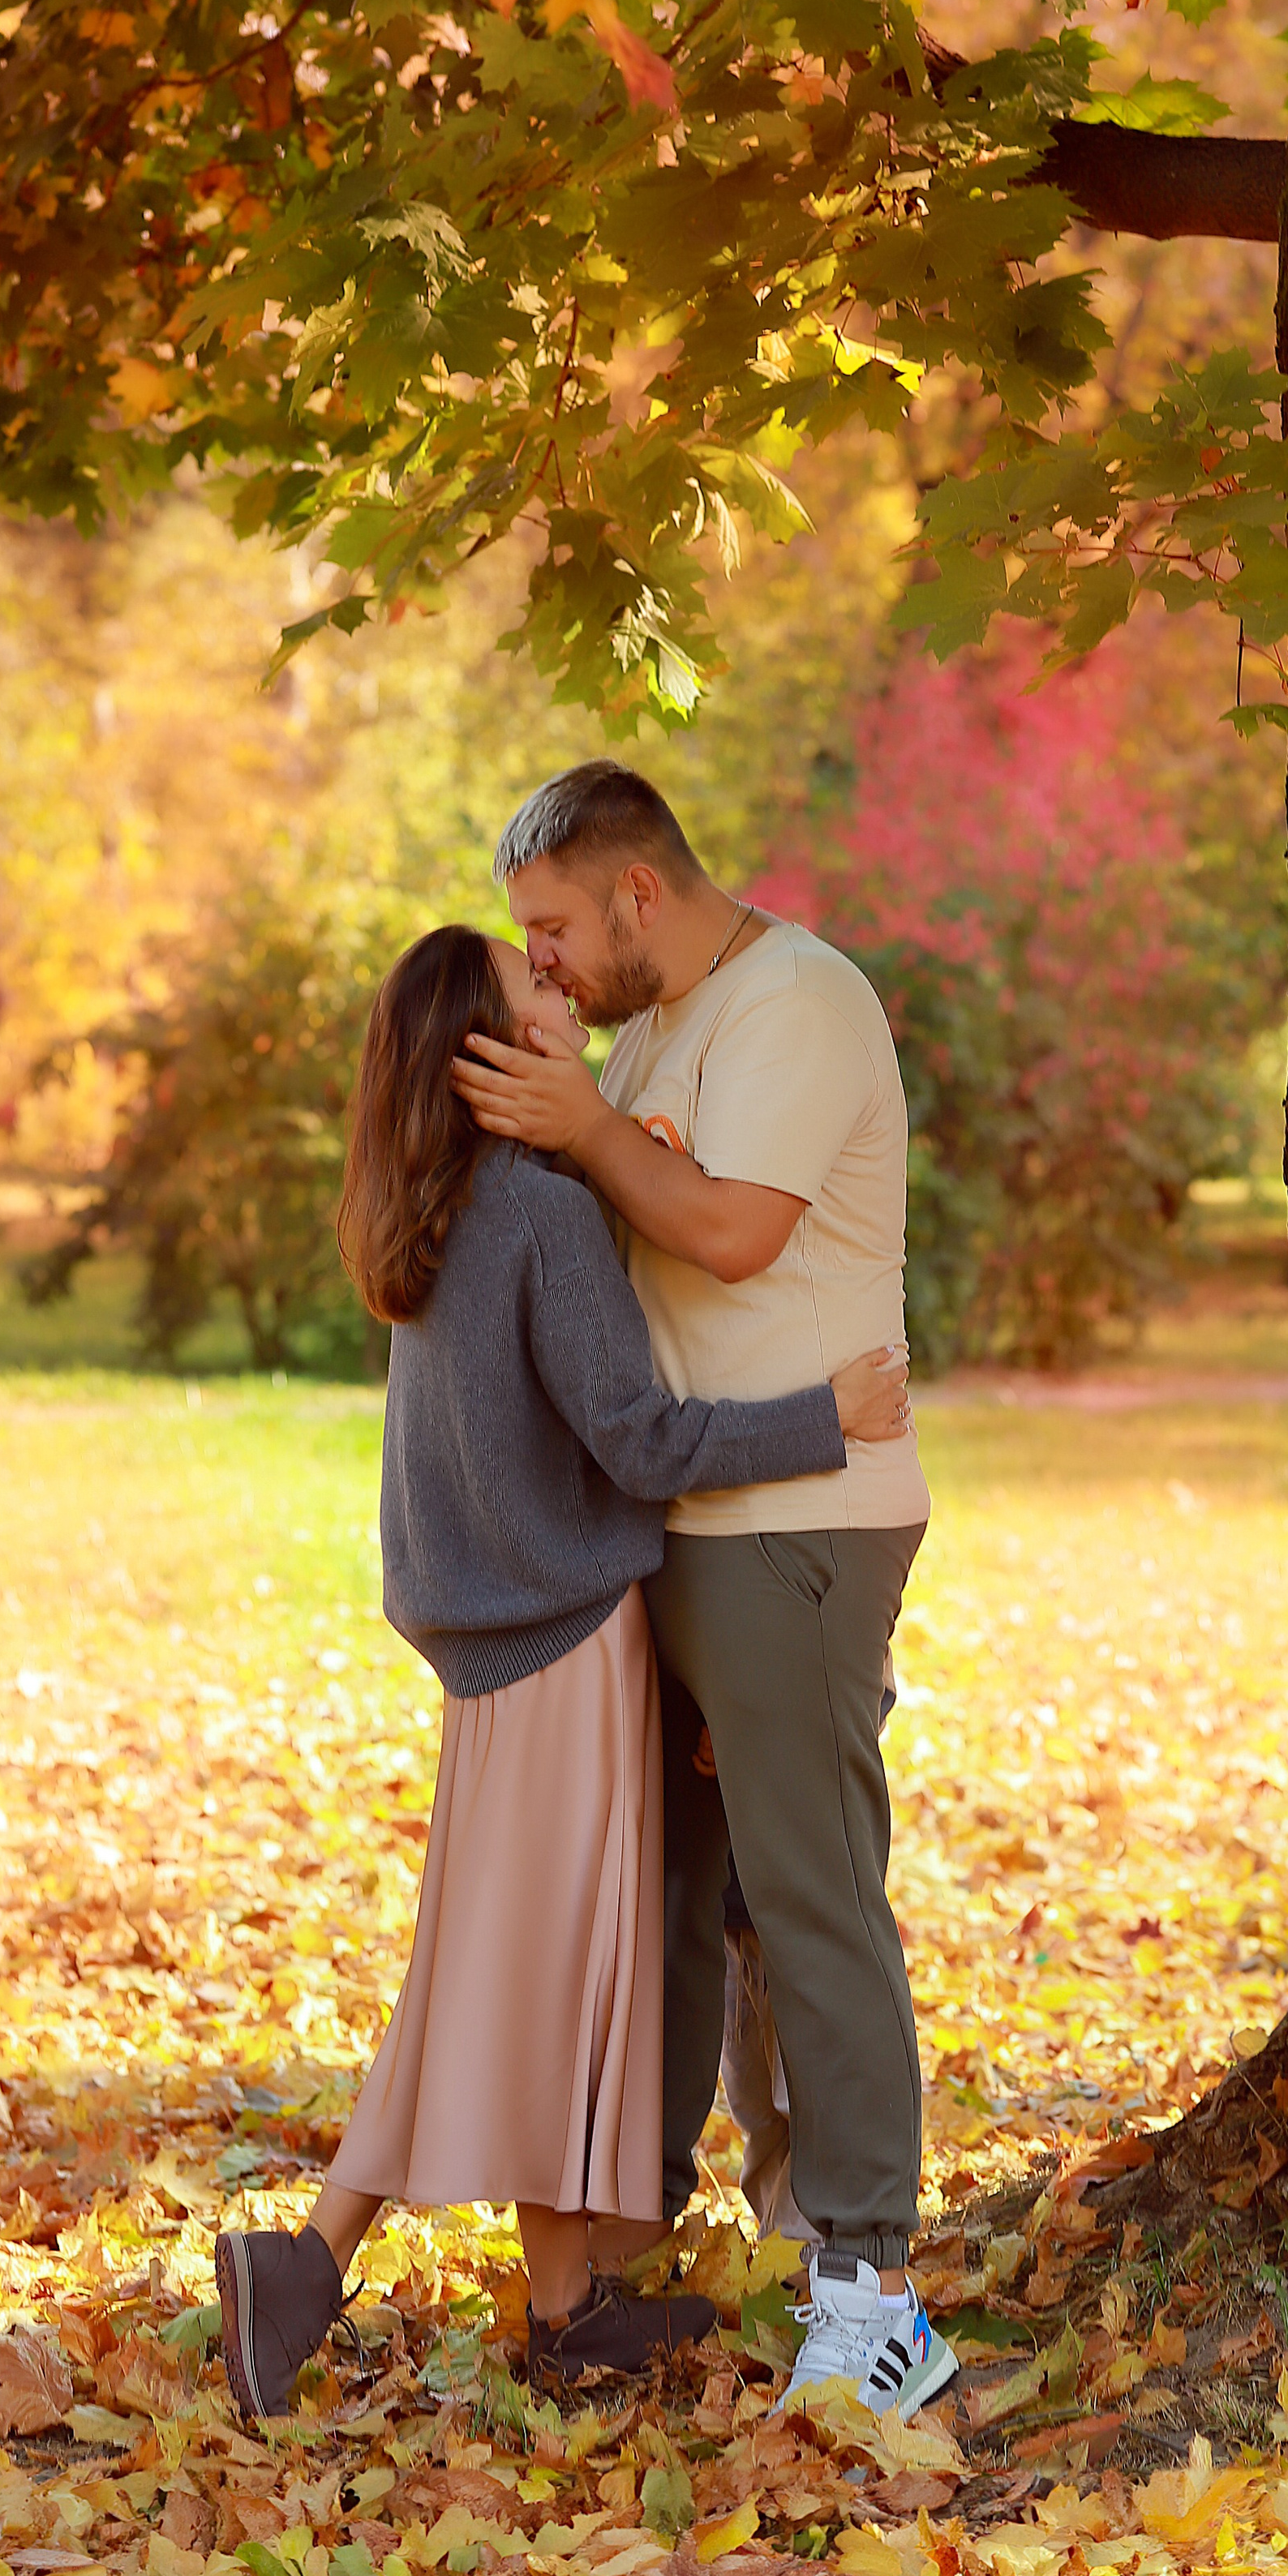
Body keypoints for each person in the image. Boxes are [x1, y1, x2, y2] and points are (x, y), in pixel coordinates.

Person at [214, 924, 914, 2419]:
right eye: (534, 989)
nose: (565, 990)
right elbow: (643, 1440)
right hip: (570, 1646)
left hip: (487, 1653)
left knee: (500, 1968)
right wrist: (829, 1414)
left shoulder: (441, 1211)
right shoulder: (535, 1214)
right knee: (540, 1978)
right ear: (490, 1051)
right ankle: (332, 2265)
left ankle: (534, 2301)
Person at [453, 761, 958, 2421]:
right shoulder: (644, 1034)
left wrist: (586, 1121)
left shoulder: (793, 1005)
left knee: (807, 1884)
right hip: (683, 1517)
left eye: (552, 930)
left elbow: (734, 1230)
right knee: (668, 1895)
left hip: (796, 1520)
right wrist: (562, 1065)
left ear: (637, 894)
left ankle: (869, 2281)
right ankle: (636, 2234)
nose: (543, 964)